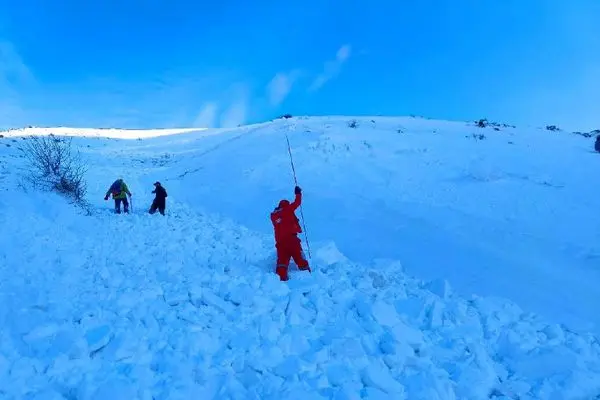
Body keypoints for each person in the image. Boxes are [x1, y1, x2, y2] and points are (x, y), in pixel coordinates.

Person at [270, 185, 310, 281]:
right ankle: (308, 277)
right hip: (292, 241)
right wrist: (298, 193)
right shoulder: (288, 209)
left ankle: (280, 280)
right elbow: (297, 202)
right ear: (286, 205)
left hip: (280, 243)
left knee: (282, 262)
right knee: (300, 258)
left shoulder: (274, 216)